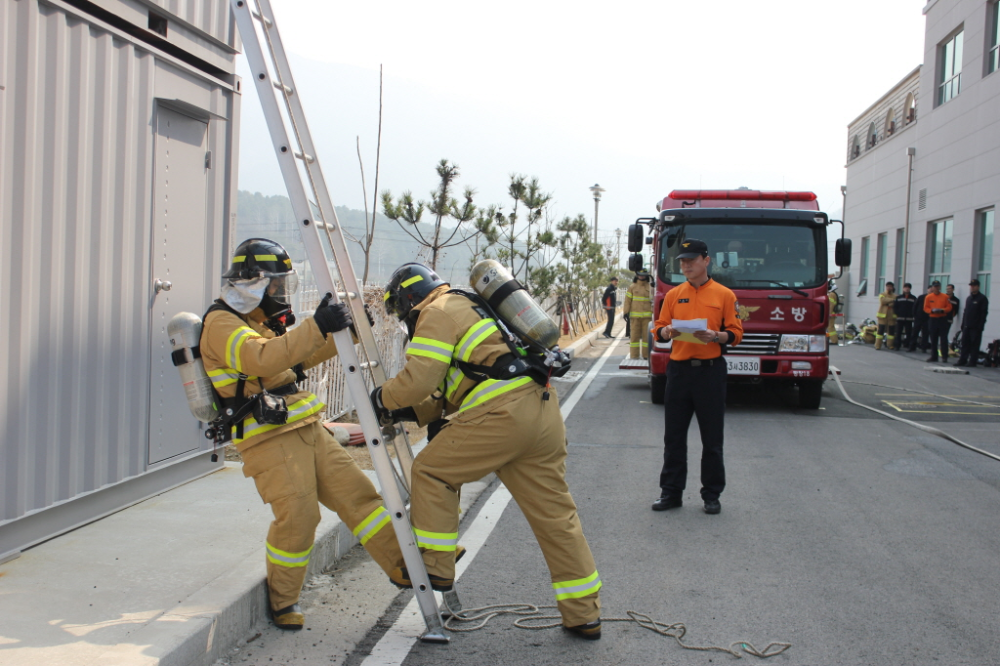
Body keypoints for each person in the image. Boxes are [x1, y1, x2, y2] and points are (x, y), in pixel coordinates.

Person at [374, 263, 604, 640]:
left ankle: (436, 565)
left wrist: (380, 398)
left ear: (409, 298)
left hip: (501, 415)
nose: (404, 319)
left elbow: (420, 379)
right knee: (556, 516)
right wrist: (404, 410)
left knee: (432, 471)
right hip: (540, 410)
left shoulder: (435, 312)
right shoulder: (472, 305)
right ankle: (584, 613)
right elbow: (452, 386)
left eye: (401, 311)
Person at [200, 238, 403, 631]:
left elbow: (296, 357)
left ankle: (407, 566)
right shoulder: (222, 323)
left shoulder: (255, 322)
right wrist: (316, 325)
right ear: (250, 283)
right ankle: (283, 601)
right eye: (274, 286)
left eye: (282, 286)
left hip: (305, 425)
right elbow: (263, 358)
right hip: (268, 437)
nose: (280, 294)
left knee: (358, 495)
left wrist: (346, 333)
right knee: (299, 516)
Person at [649, 239, 743, 515]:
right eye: (682, 261)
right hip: (678, 372)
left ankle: (711, 495)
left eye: (691, 260)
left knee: (712, 439)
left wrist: (716, 335)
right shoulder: (674, 294)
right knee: (674, 437)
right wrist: (666, 333)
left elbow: (736, 334)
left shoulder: (725, 295)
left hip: (710, 372)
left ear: (706, 260)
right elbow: (660, 328)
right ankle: (671, 493)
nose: (686, 265)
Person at [956, 279, 990, 367]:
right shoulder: (969, 298)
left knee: (974, 344)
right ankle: (962, 360)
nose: (972, 287)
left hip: (976, 327)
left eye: (974, 286)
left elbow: (983, 314)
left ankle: (972, 361)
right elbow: (965, 312)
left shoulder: (982, 299)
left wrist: (980, 326)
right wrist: (963, 324)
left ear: (978, 287)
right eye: (971, 286)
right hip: (967, 325)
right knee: (965, 344)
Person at [623, 269, 653, 359]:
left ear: (646, 276)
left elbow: (654, 301)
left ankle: (646, 355)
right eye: (640, 275)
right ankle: (634, 355)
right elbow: (627, 301)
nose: (642, 277)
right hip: (635, 318)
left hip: (648, 318)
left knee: (647, 338)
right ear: (637, 275)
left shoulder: (651, 287)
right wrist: (626, 312)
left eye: (643, 275)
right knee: (634, 338)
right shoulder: (632, 287)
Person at [924, 281, 953, 363]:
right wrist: (931, 311)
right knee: (933, 338)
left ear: (940, 287)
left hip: (942, 319)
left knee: (943, 338)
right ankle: (934, 356)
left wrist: (942, 310)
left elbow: (949, 307)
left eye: (938, 286)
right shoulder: (928, 297)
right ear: (932, 288)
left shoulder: (945, 296)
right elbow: (925, 308)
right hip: (933, 319)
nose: (936, 288)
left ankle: (944, 356)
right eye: (935, 286)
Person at [894, 283, 917, 351]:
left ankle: (908, 346)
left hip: (909, 319)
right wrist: (897, 314)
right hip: (900, 318)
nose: (907, 288)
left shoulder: (913, 298)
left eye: (908, 287)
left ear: (910, 289)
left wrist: (912, 315)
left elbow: (915, 308)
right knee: (898, 333)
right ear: (903, 288)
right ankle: (897, 346)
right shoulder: (899, 298)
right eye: (905, 287)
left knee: (909, 333)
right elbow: (895, 307)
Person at [909, 285, 931, 352]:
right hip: (918, 318)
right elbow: (915, 306)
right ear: (927, 290)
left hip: (927, 319)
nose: (931, 291)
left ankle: (924, 348)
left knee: (925, 334)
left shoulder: (933, 298)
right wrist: (915, 315)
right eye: (930, 289)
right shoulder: (921, 297)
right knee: (915, 333)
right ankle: (912, 347)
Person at [875, 281, 897, 350]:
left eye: (890, 287)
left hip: (891, 316)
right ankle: (878, 345)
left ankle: (890, 345)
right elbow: (882, 301)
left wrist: (889, 302)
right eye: (888, 286)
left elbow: (895, 303)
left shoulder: (895, 296)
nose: (889, 288)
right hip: (882, 316)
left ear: (892, 287)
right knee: (880, 331)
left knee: (891, 331)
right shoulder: (882, 294)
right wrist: (892, 300)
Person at [945, 284, 961, 350]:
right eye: (947, 288)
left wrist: (951, 316)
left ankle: (945, 348)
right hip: (941, 318)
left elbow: (956, 311)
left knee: (945, 334)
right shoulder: (943, 297)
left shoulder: (956, 300)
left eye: (950, 288)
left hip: (949, 319)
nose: (948, 290)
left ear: (953, 289)